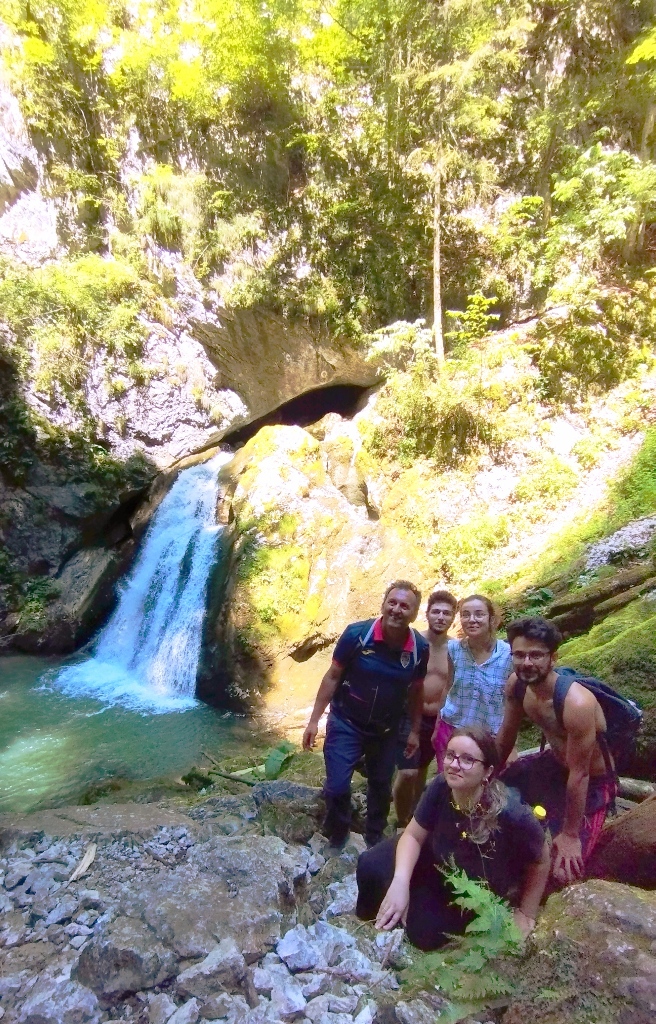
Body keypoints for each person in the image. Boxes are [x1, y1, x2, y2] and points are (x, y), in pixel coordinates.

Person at [356, 726, 550, 950]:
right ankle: (368, 925)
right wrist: (400, 881)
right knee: (369, 865)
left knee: (422, 934)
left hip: (471, 888)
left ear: (487, 771)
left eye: (467, 760)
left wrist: (526, 913)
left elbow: (541, 860)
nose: (454, 765)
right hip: (435, 859)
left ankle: (403, 918)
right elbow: (413, 836)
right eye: (450, 755)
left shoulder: (512, 814)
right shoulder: (441, 786)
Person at [302, 580, 429, 849]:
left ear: (414, 613)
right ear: (383, 604)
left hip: (386, 729)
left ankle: (374, 837)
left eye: (404, 606)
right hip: (346, 721)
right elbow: (333, 676)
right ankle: (339, 833)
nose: (396, 610)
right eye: (392, 602)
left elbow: (417, 691)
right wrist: (314, 721)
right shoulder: (357, 634)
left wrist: (415, 731)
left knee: (381, 786)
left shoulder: (419, 648)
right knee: (337, 786)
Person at [496, 616, 618, 886]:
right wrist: (487, 775)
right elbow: (506, 735)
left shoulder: (577, 703)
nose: (527, 663)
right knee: (491, 798)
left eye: (536, 655)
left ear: (553, 658)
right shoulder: (517, 685)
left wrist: (571, 835)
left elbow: (581, 774)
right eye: (519, 655)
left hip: (592, 781)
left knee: (562, 873)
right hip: (554, 764)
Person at [393, 589, 457, 827]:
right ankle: (400, 821)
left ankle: (415, 818)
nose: (440, 617)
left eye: (446, 613)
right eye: (436, 611)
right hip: (409, 716)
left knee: (421, 770)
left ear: (453, 618)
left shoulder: (456, 649)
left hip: (439, 718)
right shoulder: (413, 641)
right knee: (407, 772)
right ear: (427, 614)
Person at [432, 595, 513, 770]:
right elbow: (449, 686)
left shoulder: (509, 654)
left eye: (479, 614)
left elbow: (512, 701)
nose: (472, 619)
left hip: (489, 735)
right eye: (466, 614)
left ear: (491, 619)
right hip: (451, 728)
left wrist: (511, 740)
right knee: (449, 779)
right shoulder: (454, 649)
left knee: (485, 780)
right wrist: (437, 725)